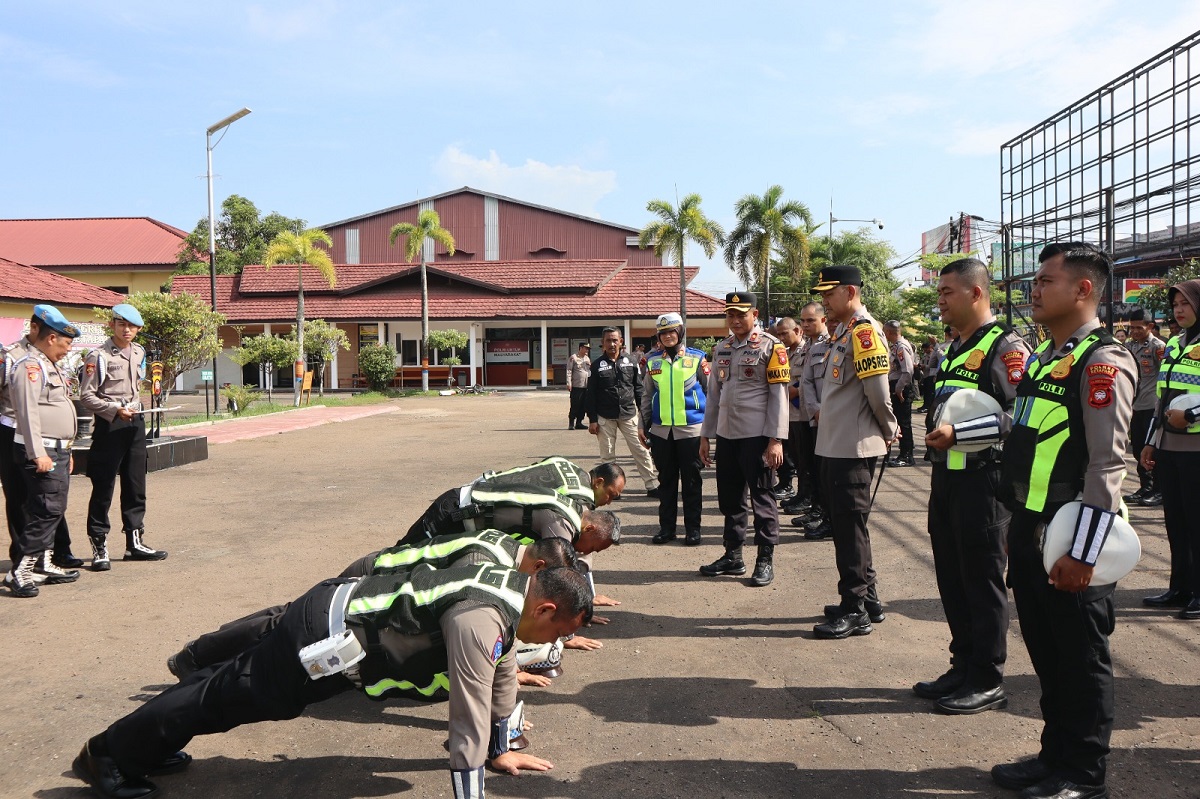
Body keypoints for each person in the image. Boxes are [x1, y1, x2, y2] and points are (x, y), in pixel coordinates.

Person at [74, 564, 592, 799]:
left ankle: (140, 744)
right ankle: (108, 755)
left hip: (335, 621)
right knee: (228, 697)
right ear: (545, 607)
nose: (550, 644)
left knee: (225, 688)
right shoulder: (482, 620)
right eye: (557, 633)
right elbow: (469, 717)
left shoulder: (508, 586)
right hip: (322, 637)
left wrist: (502, 747)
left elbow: (500, 676)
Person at [992, 242, 1135, 799]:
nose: (1035, 288)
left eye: (1047, 280)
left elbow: (1107, 465)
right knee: (1049, 653)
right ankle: (1056, 755)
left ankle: (1083, 772)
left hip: (1073, 537)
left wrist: (1086, 552)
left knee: (1080, 658)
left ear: (1083, 290)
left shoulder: (1102, 362)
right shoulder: (1049, 359)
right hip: (1032, 530)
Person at [169, 532, 580, 678]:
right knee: (283, 622)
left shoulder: (505, 550)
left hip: (387, 580)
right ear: (539, 568)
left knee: (282, 620)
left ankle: (203, 657)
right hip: (375, 577)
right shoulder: (486, 563)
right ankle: (198, 655)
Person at [915, 257, 1031, 715]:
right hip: (948, 475)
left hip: (984, 480)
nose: (939, 300)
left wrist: (958, 435)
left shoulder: (1006, 346)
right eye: (939, 292)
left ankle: (987, 676)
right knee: (951, 573)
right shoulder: (957, 347)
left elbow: (1018, 417)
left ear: (976, 293)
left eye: (947, 292)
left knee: (982, 580)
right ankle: (963, 664)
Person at [811, 266, 898, 639]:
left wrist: (889, 428)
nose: (824, 302)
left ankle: (855, 608)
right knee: (851, 528)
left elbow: (878, 394)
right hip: (837, 444)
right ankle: (870, 598)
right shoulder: (844, 332)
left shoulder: (863, 333)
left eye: (829, 294)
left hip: (853, 446)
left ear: (849, 292)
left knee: (849, 532)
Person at [697, 291, 790, 587]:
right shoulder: (722, 348)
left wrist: (776, 439)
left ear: (755, 314)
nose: (736, 320)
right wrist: (706, 436)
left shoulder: (771, 347)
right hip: (727, 435)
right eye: (731, 315)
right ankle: (733, 555)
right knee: (730, 499)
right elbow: (713, 397)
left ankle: (765, 558)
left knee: (762, 498)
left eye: (741, 315)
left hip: (757, 436)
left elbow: (779, 397)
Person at [79, 303, 166, 570]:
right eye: (121, 324)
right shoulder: (99, 357)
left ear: (138, 329)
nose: (126, 330)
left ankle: (134, 541)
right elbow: (86, 395)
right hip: (110, 425)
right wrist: (114, 410)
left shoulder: (138, 351)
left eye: (132, 326)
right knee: (104, 487)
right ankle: (99, 545)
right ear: (112, 325)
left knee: (135, 484)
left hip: (135, 423)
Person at [4, 305, 81, 598]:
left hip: (57, 448)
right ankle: (20, 570)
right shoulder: (30, 366)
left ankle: (43, 562)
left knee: (51, 509)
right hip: (42, 449)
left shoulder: (48, 364)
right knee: (47, 510)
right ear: (51, 338)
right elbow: (26, 413)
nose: (67, 350)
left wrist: (68, 449)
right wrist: (38, 453)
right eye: (66, 343)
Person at [1140, 278, 1200, 619]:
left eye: (1185, 304)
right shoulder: (1175, 344)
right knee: (1175, 521)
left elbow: (1183, 406)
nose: (1179, 311)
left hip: (1197, 449)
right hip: (1169, 446)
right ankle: (1181, 587)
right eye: (1175, 305)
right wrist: (1151, 441)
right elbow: (1162, 400)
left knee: (1197, 521)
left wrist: (1190, 415)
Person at [397, 457, 624, 546]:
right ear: (598, 482)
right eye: (611, 495)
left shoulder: (567, 465)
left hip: (472, 494)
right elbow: (560, 554)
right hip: (458, 513)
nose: (609, 502)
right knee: (402, 556)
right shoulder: (579, 501)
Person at [638, 312, 708, 546]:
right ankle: (667, 529)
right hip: (661, 431)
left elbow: (711, 394)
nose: (668, 336)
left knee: (691, 482)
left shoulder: (697, 359)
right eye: (663, 333)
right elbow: (647, 395)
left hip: (691, 431)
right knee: (666, 482)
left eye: (672, 332)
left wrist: (709, 431)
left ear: (680, 333)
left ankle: (693, 530)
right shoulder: (652, 361)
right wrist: (642, 425)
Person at [586, 327, 659, 496]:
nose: (612, 344)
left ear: (621, 341)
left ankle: (652, 485)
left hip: (629, 414)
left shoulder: (631, 361)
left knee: (641, 450)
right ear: (602, 344)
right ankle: (612, 490)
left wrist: (645, 416)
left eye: (615, 340)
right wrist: (592, 419)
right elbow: (590, 395)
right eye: (608, 341)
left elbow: (639, 389)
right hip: (605, 417)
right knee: (607, 456)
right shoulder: (596, 366)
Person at [794, 303, 832, 540]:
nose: (806, 325)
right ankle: (815, 508)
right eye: (803, 321)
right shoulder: (808, 346)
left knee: (823, 470)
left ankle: (825, 514)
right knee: (809, 465)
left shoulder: (831, 344)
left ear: (823, 320)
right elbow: (806, 383)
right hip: (808, 416)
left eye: (811, 320)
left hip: (826, 420)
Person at [1122, 308, 1166, 507]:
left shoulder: (1159, 347)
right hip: (1135, 405)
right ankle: (1145, 487)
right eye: (1132, 328)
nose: (1135, 331)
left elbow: (1165, 375)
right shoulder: (1129, 345)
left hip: (1152, 406)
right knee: (1138, 449)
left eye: (1139, 328)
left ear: (1150, 326)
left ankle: (1159, 490)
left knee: (1152, 451)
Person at [771, 317, 803, 504]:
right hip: (785, 412)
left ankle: (801, 493)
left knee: (801, 458)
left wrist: (796, 391)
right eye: (779, 334)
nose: (782, 337)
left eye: (785, 333)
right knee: (787, 452)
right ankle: (786, 484)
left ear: (797, 331)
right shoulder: (782, 352)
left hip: (801, 412)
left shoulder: (807, 352)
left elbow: (810, 381)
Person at [884, 320, 916, 467]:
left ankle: (907, 455)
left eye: (885, 331)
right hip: (898, 385)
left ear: (890, 332)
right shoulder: (897, 346)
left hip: (901, 388)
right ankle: (905, 452)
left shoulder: (901, 347)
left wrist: (898, 389)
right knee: (901, 421)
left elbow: (908, 370)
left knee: (904, 422)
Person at [565, 342, 591, 429]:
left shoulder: (587, 358)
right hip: (576, 386)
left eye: (588, 349)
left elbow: (588, 371)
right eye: (585, 348)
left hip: (585, 386)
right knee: (575, 405)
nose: (587, 350)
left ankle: (579, 422)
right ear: (580, 348)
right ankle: (571, 423)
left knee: (583, 405)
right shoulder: (573, 358)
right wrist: (569, 383)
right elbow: (569, 370)